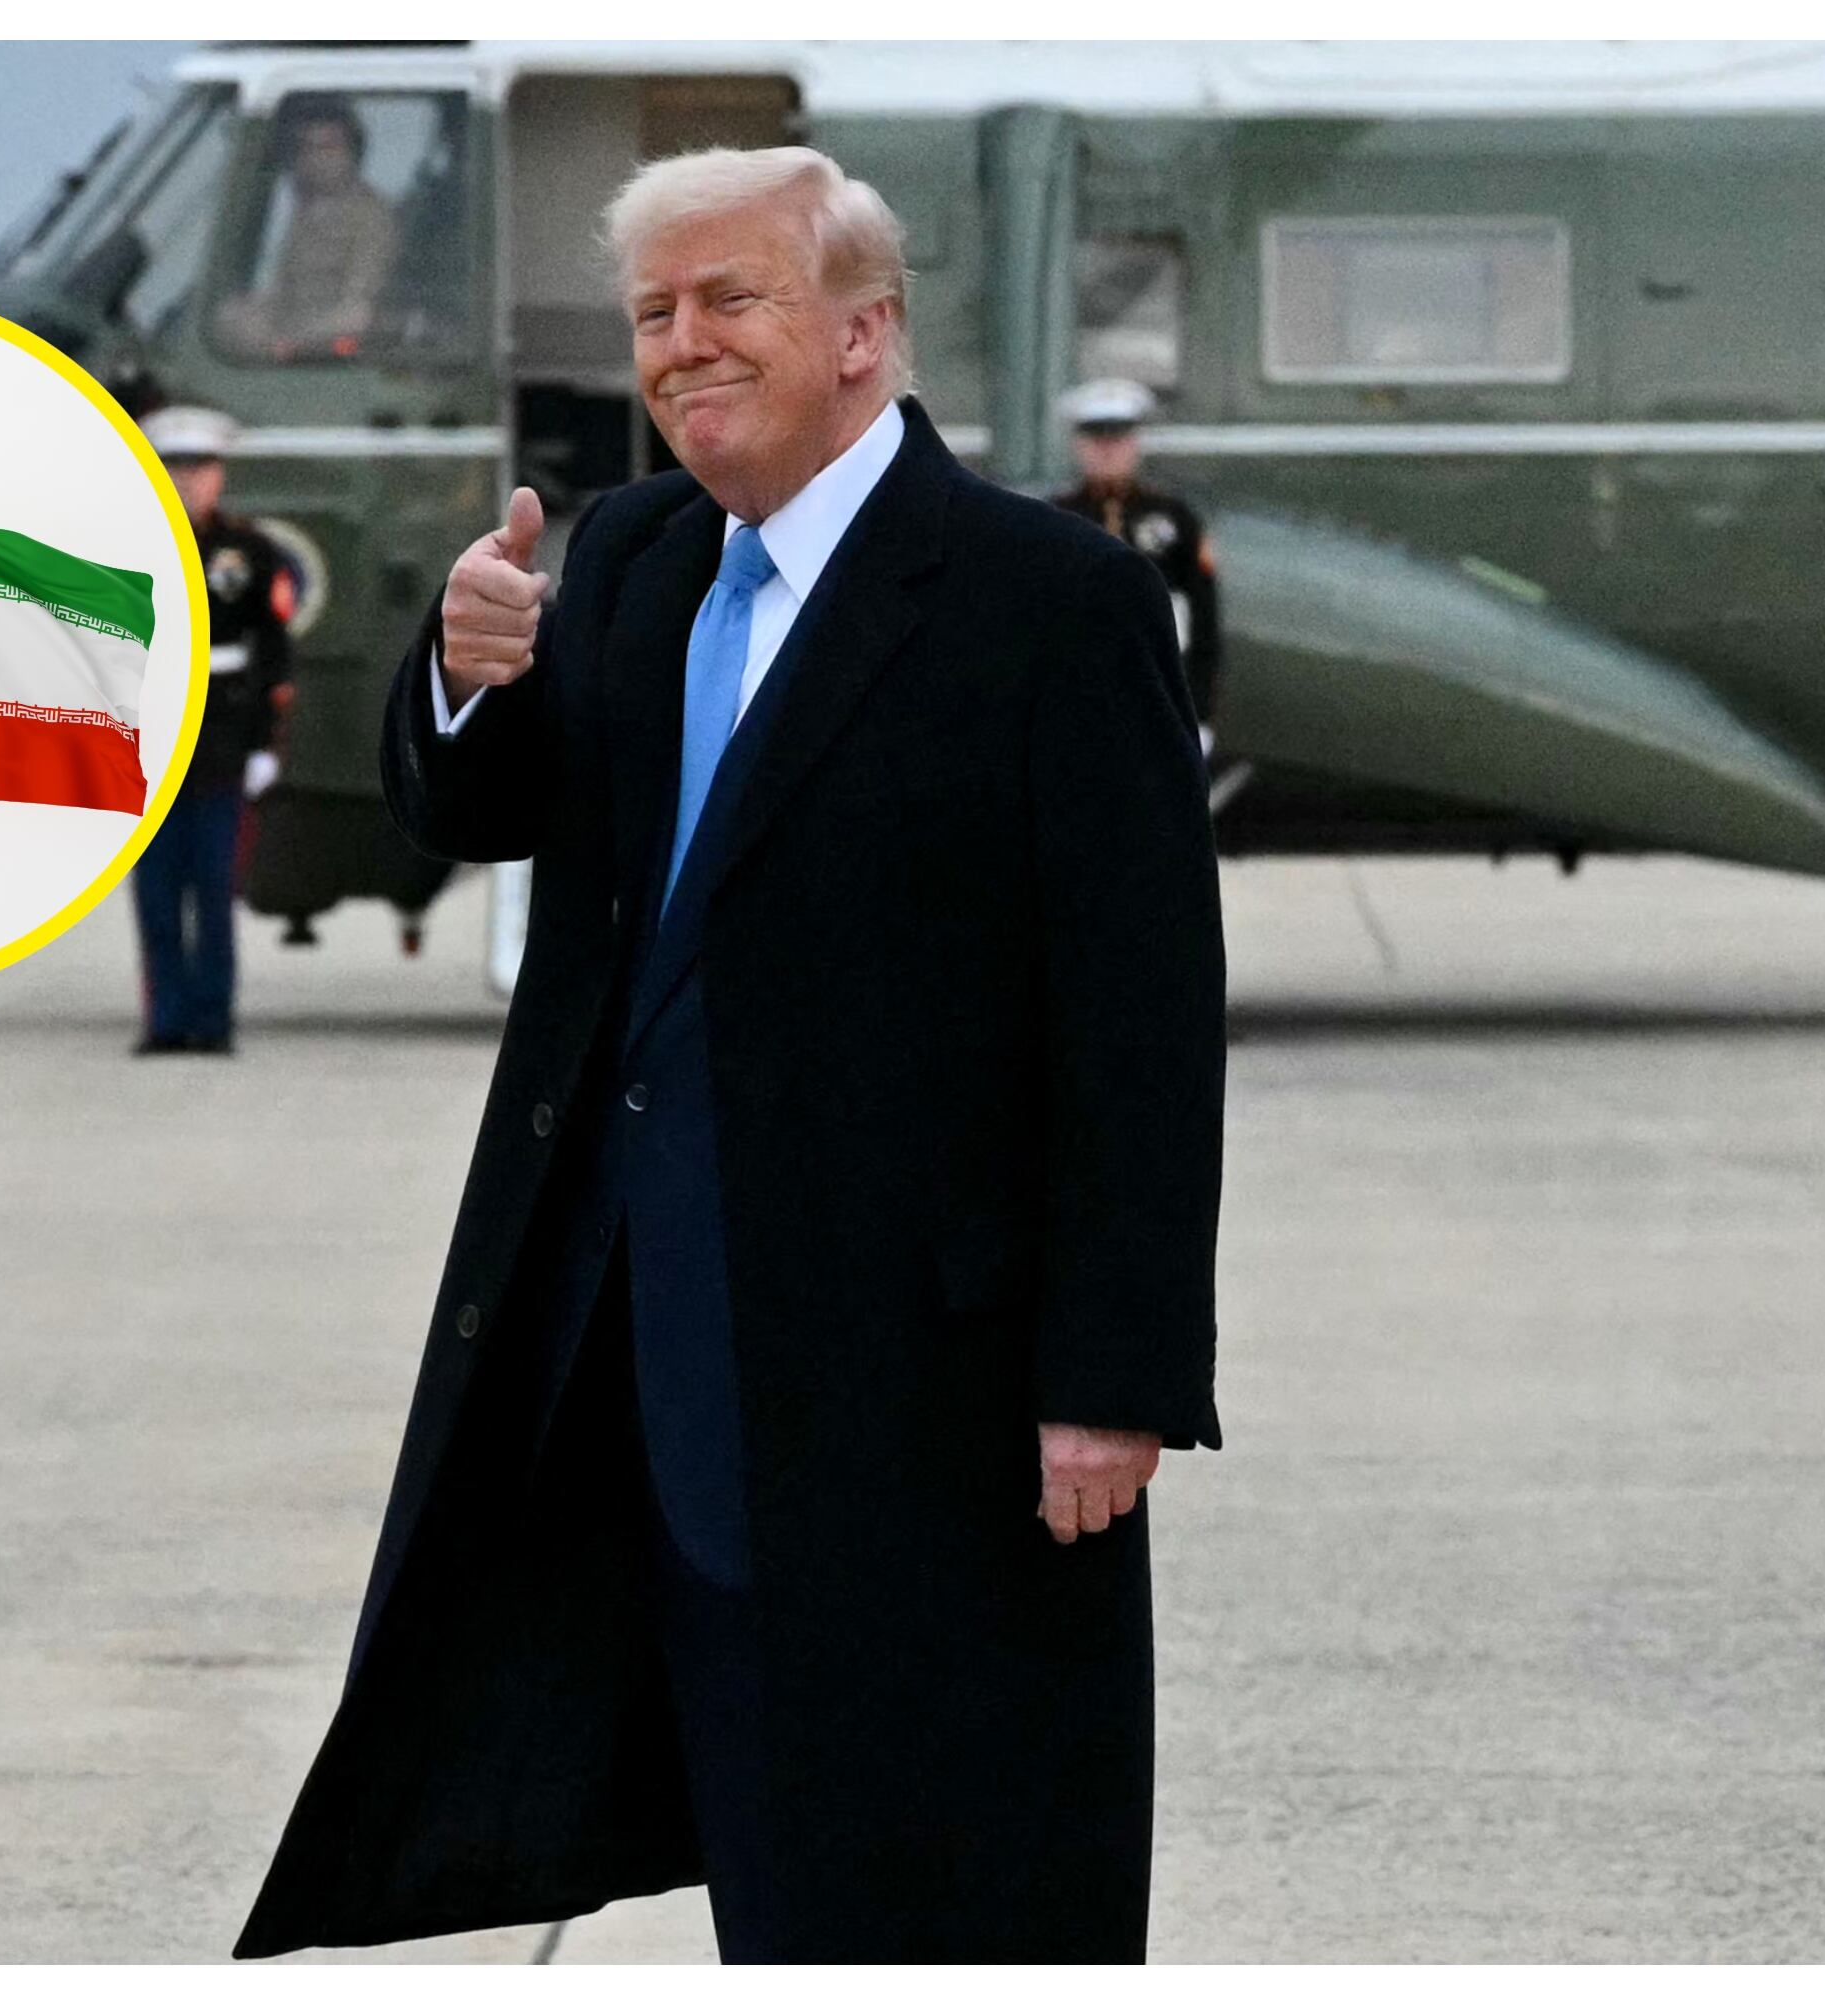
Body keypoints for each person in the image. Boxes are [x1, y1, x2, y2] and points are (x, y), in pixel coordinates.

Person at [236, 146, 1224, 1962]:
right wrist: (459, 675)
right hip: (631, 1357)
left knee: (954, 1857)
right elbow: (478, 803)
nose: (679, 347)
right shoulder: (620, 561)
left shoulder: (1042, 604)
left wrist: (1117, 1370)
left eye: (727, 301)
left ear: (861, 332)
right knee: (759, 1856)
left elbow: (1139, 1021)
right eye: (650, 314)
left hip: (919, 1387)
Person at [128, 405, 292, 1057]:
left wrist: (263, 745)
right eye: (175, 467)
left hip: (223, 742)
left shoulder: (248, 552)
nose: (188, 481)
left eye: (201, 468)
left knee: (215, 897)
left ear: (219, 476)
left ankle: (214, 1018)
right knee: (158, 898)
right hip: (149, 748)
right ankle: (166, 1020)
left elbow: (273, 650)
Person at [1052, 375, 1224, 749]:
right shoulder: (1052, 519)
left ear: (1136, 443)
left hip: (1160, 692)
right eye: (1096, 438)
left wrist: (1201, 712)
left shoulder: (1174, 518)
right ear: (1078, 445)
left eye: (1119, 437)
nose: (1108, 449)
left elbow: (1204, 622)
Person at [214, 100, 400, 358]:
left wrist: (284, 341)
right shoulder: (308, 211)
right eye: (307, 148)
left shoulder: (371, 219)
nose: (317, 158)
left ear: (352, 152)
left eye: (329, 147)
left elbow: (357, 316)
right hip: (294, 337)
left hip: (333, 355)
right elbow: (285, 291)